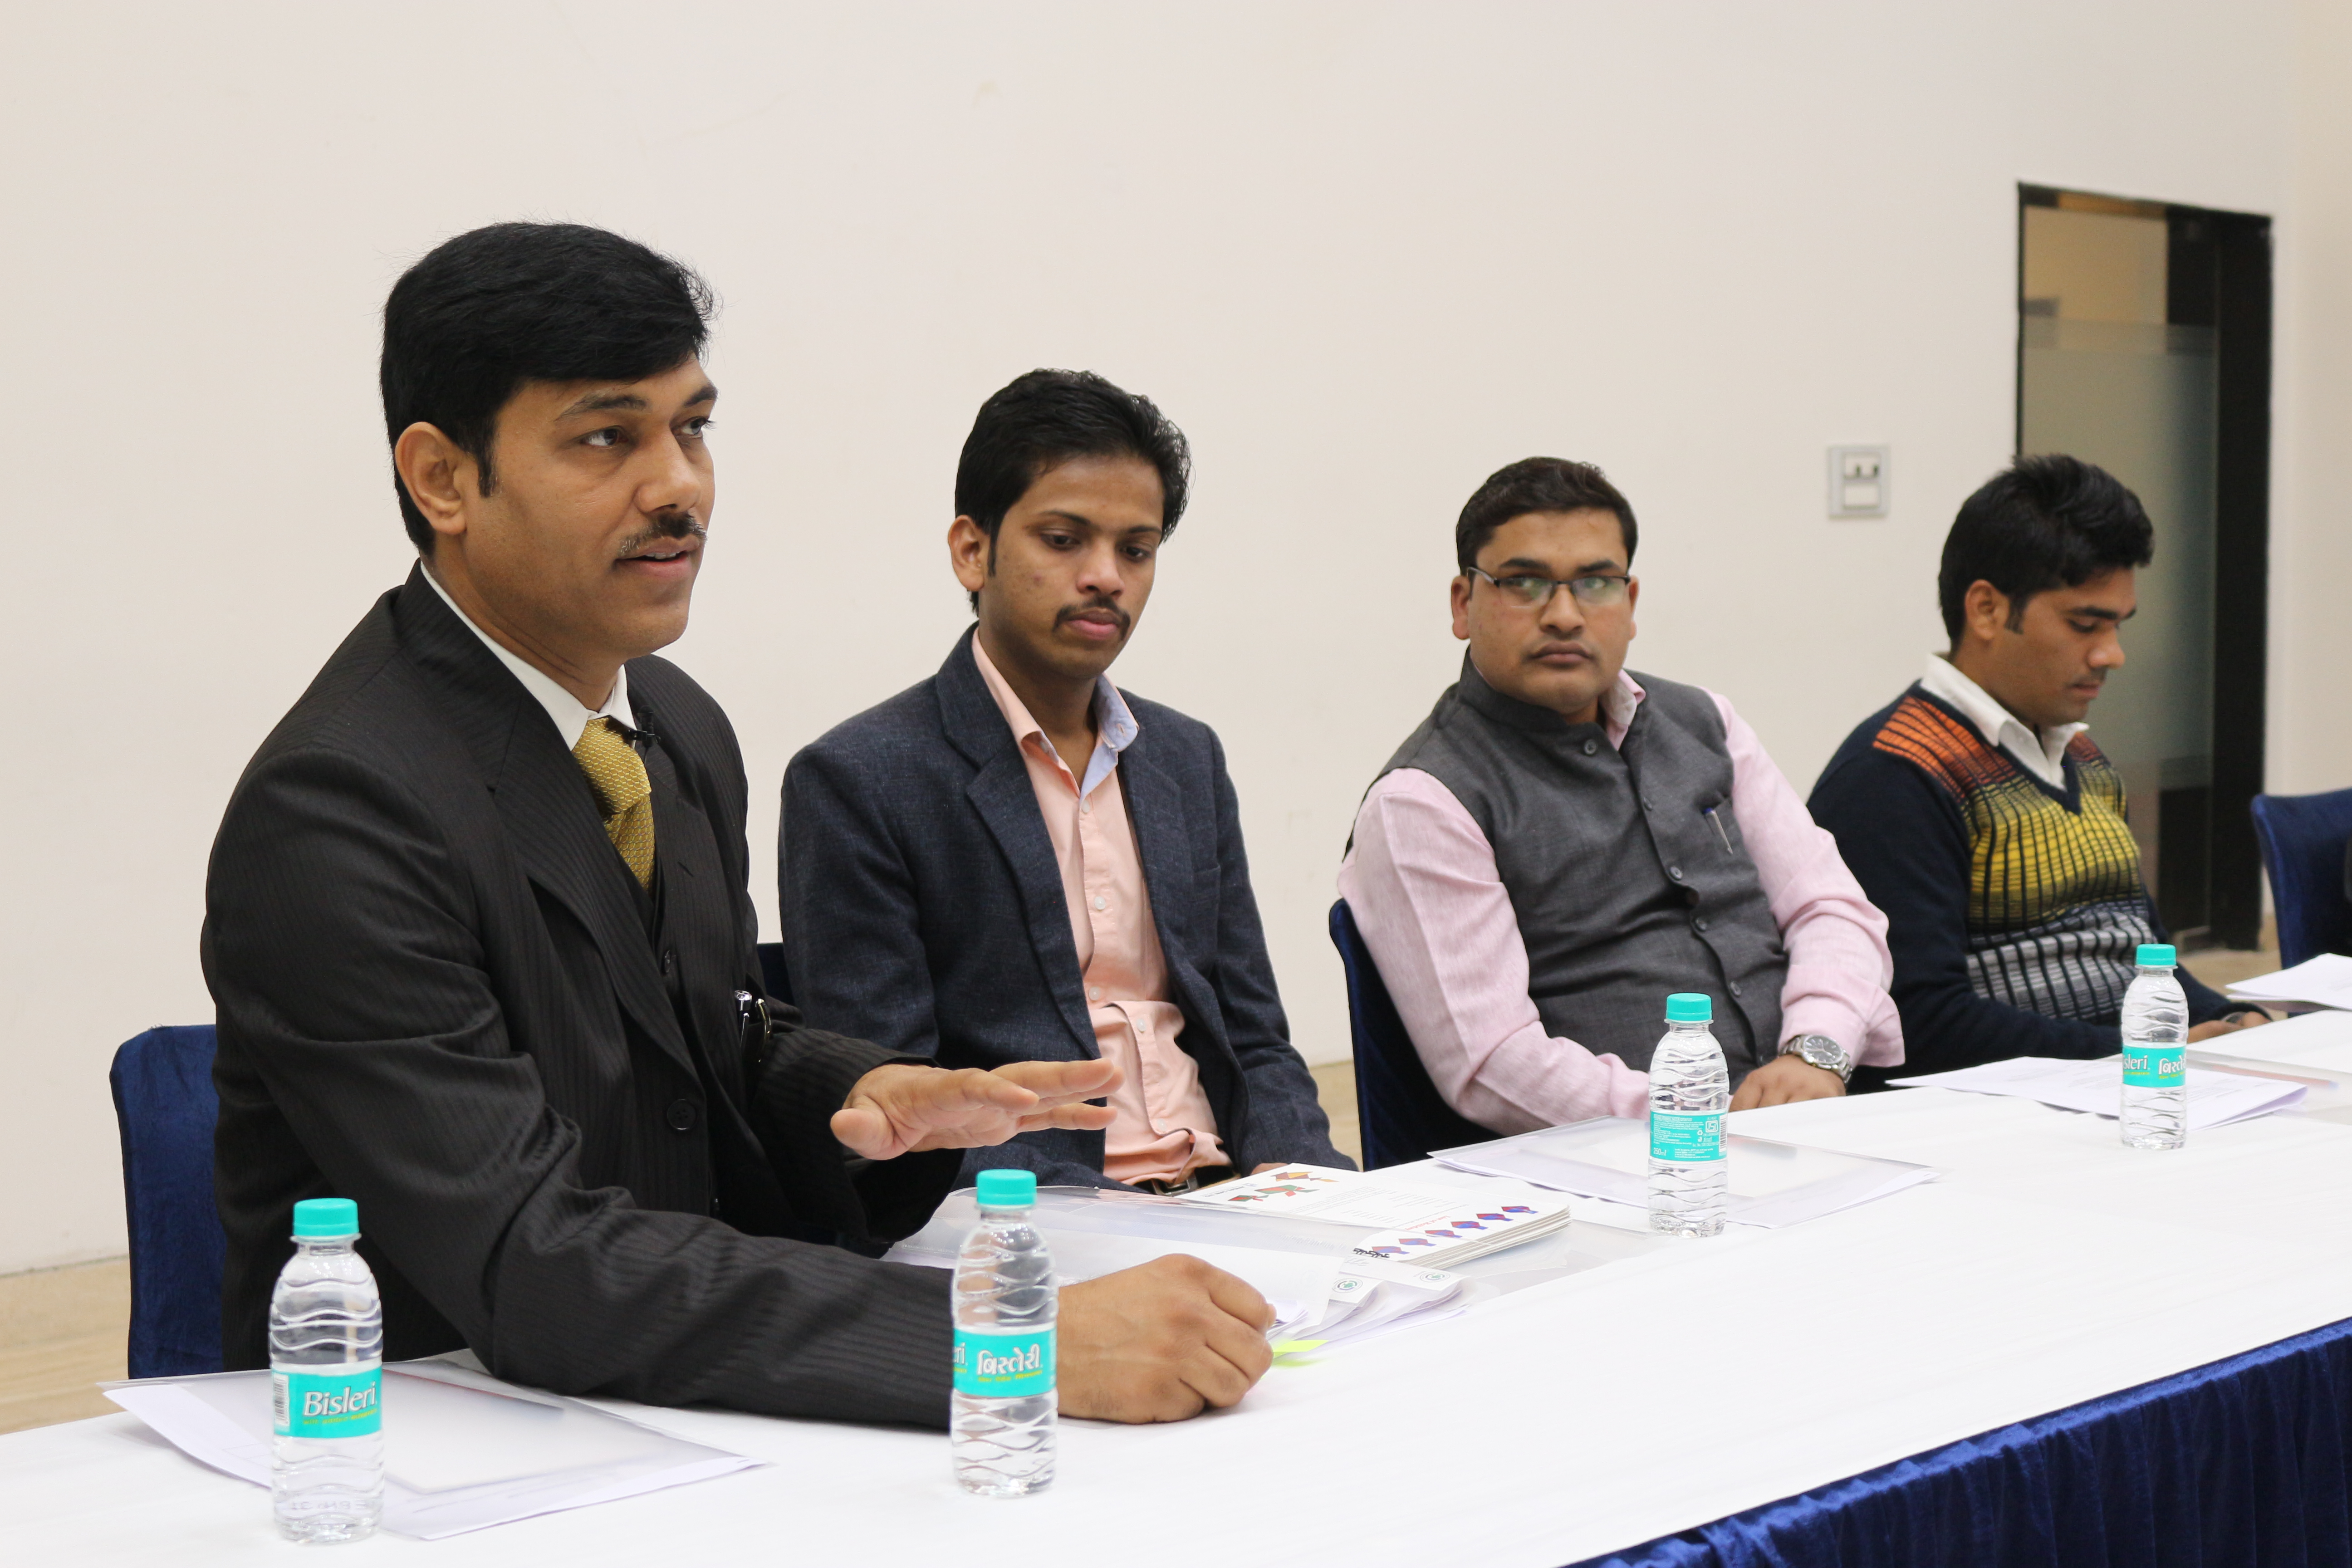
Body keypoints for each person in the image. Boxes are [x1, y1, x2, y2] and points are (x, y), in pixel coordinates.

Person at [205, 225, 1276, 1430]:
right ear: (444, 479)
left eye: (693, 427)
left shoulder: (674, 725)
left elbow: (709, 1041)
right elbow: (530, 1256)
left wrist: (878, 1090)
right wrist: (1004, 1335)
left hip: (667, 1399)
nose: (679, 486)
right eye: (608, 438)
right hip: (424, 1434)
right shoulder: (340, 810)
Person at [778, 369, 1347, 1192]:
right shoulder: (860, 779)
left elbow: (1253, 1037)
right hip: (1036, 1215)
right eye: (1063, 539)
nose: (1106, 576)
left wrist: (1319, 1188)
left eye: (1136, 549)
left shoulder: (1187, 758)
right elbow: (893, 1102)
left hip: (1234, 1195)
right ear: (972, 550)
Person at [1337, 457, 1902, 1133]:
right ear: (1464, 604)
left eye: (1597, 583)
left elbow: (1833, 908)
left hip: (1823, 1107)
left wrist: (1816, 1053)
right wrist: (1706, 1119)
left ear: (1630, 604)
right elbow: (1495, 1062)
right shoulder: (1424, 802)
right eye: (1524, 583)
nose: (1565, 615)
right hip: (1634, 1167)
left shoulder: (1705, 722)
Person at [1808, 455, 2268, 1080]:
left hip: (2119, 1081)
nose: (2112, 654)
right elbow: (1918, 1020)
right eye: (2085, 624)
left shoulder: (2083, 757)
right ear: (1988, 611)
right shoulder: (1893, 775)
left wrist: (2237, 1020)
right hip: (2005, 1114)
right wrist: (2141, 1054)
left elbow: (2146, 962)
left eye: (2118, 626)